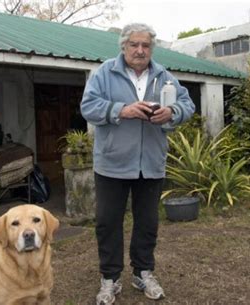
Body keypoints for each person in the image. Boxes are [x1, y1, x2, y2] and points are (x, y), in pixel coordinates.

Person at [80, 23, 195, 305]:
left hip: (151, 163)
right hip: (111, 164)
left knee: (147, 223)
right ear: (124, 46)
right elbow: (88, 106)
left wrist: (172, 112)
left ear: (151, 48)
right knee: (108, 223)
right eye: (134, 45)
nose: (140, 50)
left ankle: (143, 272)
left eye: (145, 45)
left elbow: (187, 105)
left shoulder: (164, 75)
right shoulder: (105, 72)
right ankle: (110, 278)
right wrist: (122, 109)